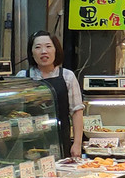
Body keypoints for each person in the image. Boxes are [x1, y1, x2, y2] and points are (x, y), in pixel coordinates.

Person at [18, 31, 84, 159]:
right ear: (31, 52)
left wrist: (77, 143)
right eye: (38, 47)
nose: (44, 51)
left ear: (56, 50)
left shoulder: (67, 76)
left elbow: (77, 112)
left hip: (59, 141)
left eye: (48, 46)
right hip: (28, 143)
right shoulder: (22, 78)